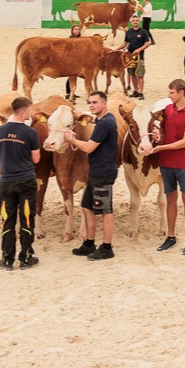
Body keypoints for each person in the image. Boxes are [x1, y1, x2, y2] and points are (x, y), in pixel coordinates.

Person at [148, 79, 185, 255]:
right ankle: (171, 236)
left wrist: (162, 147)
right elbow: (162, 131)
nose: (169, 95)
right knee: (170, 198)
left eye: (172, 92)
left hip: (183, 162)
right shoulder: (168, 110)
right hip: (166, 162)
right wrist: (157, 136)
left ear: (181, 93)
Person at [0, 96, 41, 270]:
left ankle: (7, 259)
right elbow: (36, 159)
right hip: (26, 180)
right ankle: (26, 257)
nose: (32, 113)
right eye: (30, 110)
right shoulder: (31, 133)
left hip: (6, 181)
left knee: (7, 219)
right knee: (27, 218)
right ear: (22, 113)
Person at [67, 91, 118, 260]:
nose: (91, 105)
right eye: (90, 102)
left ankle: (107, 247)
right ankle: (89, 243)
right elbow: (93, 117)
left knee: (105, 210)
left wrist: (71, 139)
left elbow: (89, 147)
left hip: (103, 173)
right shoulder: (104, 120)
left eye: (95, 102)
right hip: (96, 172)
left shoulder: (105, 124)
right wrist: (83, 114)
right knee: (86, 206)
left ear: (104, 104)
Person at [116, 14, 152, 100]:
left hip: (139, 56)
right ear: (131, 22)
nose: (135, 22)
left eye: (137, 20)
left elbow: (147, 43)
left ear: (139, 22)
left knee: (140, 75)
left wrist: (139, 49)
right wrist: (116, 49)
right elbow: (125, 43)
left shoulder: (143, 32)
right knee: (132, 74)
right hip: (130, 57)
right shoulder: (129, 32)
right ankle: (135, 91)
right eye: (133, 20)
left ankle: (141, 92)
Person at [65, 23, 84, 100]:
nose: (77, 31)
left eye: (78, 29)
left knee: (74, 76)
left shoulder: (81, 39)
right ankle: (68, 93)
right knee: (71, 76)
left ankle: (72, 93)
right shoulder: (69, 39)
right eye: (75, 29)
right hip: (71, 60)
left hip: (78, 60)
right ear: (72, 30)